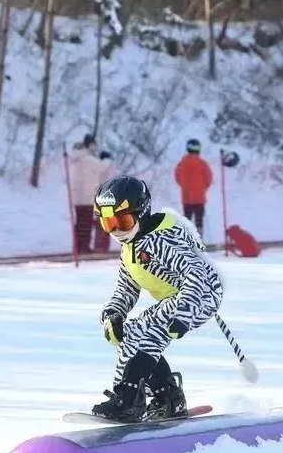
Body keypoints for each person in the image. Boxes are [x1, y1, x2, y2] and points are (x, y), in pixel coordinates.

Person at [91, 175, 223, 421]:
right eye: (108, 224)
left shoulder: (161, 241)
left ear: (141, 213)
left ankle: (128, 399)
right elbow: (126, 289)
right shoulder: (130, 246)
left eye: (124, 221)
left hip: (199, 294)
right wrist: (114, 313)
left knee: (150, 334)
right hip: (175, 298)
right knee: (130, 335)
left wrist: (185, 313)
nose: (117, 231)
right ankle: (167, 396)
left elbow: (196, 273)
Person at [68, 134, 114, 253]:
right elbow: (101, 167)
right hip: (86, 196)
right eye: (94, 144)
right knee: (85, 224)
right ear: (89, 145)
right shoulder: (86, 159)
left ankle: (79, 247)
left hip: (78, 196)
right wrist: (107, 159)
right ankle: (83, 248)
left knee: (81, 223)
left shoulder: (76, 159)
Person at [174, 138, 213, 237]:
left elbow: (177, 177)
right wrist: (202, 188)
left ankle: (187, 240)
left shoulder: (181, 164)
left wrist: (185, 187)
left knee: (187, 220)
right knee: (199, 221)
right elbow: (209, 178)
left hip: (186, 197)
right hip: (200, 198)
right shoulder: (202, 163)